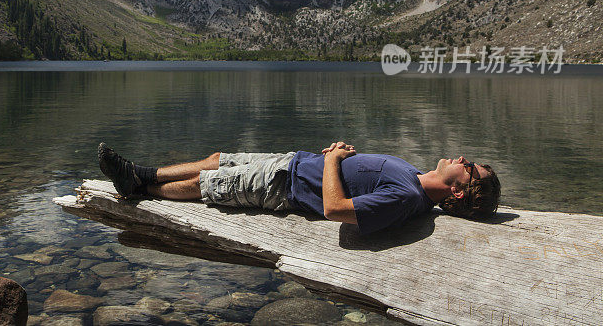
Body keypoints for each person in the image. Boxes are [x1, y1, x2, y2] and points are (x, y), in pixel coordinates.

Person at [97, 141, 501, 235]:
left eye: (471, 171)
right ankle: (141, 172)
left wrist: (331, 160)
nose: (463, 160)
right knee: (217, 161)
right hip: (291, 162)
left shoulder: (408, 198)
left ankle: (140, 191)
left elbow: (337, 210)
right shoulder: (413, 177)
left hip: (284, 186)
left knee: (210, 184)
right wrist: (332, 155)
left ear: (460, 193)